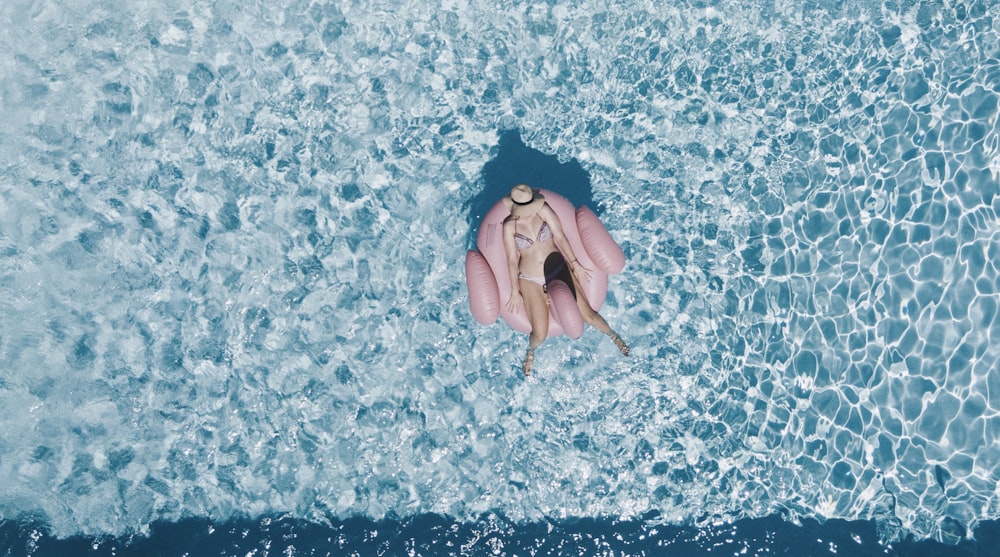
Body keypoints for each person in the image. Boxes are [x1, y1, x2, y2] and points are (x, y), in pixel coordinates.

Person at [501, 184, 629, 376]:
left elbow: (560, 237)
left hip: (558, 269)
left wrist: (575, 263)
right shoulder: (509, 225)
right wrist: (513, 290)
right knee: (540, 334)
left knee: (589, 315)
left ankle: (614, 336)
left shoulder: (543, 210)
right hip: (530, 279)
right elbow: (512, 259)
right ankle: (531, 351)